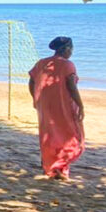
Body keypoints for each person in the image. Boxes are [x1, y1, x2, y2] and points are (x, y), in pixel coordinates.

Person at [29, 36, 85, 180]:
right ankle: (59, 167)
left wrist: (36, 98)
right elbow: (72, 86)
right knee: (69, 134)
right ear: (65, 49)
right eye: (71, 49)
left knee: (49, 134)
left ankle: (50, 166)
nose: (71, 52)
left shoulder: (42, 63)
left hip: (44, 105)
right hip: (62, 105)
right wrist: (80, 105)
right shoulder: (67, 65)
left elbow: (31, 81)